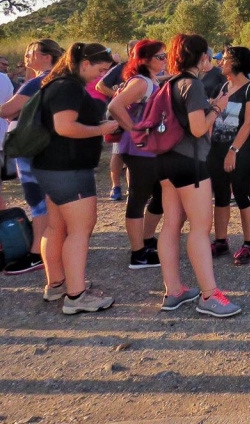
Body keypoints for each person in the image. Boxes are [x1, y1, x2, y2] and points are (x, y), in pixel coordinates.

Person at [157, 33, 240, 318]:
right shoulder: (192, 85)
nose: (213, 59)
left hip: (167, 160)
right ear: (200, 57)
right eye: (209, 54)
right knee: (200, 229)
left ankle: (174, 290)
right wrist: (217, 107)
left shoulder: (170, 82)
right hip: (190, 164)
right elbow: (197, 128)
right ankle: (209, 294)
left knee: (171, 225)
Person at [34, 43, 120, 314]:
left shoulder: (54, 83)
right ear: (84, 63)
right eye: (99, 69)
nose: (100, 76)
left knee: (55, 227)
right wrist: (101, 129)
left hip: (50, 167)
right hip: (69, 170)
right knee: (80, 230)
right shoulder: (69, 87)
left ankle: (57, 284)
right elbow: (65, 127)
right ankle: (76, 296)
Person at [0, 39, 64, 275]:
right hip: (50, 146)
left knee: (37, 199)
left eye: (31, 53)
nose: (26, 57)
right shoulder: (59, 79)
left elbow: (6, 110)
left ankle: (37, 253)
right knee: (49, 199)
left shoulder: (38, 82)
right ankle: (50, 247)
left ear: (46, 56)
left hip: (31, 148)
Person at [107, 40, 167, 270]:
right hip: (138, 149)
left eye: (165, 55)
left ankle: (146, 240)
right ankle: (138, 253)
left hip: (148, 149)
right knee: (139, 197)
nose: (164, 60)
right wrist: (135, 129)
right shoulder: (141, 82)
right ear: (144, 60)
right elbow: (115, 106)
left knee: (160, 195)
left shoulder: (150, 80)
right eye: (160, 57)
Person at [207, 46, 250, 265]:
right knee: (220, 197)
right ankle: (221, 241)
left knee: (242, 195)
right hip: (216, 151)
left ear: (236, 63)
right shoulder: (221, 87)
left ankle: (249, 244)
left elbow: (248, 123)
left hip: (240, 153)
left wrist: (233, 152)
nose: (221, 62)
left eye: (225, 59)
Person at [96, 40, 139, 201]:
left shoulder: (144, 69)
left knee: (134, 154)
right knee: (118, 152)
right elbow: (100, 85)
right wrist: (118, 97)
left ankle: (133, 189)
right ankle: (116, 186)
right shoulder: (120, 68)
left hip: (139, 117)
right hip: (120, 116)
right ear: (130, 52)